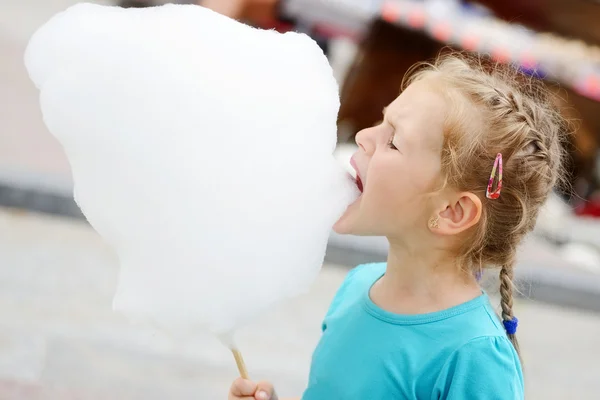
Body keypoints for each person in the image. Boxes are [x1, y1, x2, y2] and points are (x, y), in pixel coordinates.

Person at [228, 52, 567, 400]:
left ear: (453, 211)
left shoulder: (473, 357)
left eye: (393, 141)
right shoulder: (357, 285)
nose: (362, 136)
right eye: (381, 121)